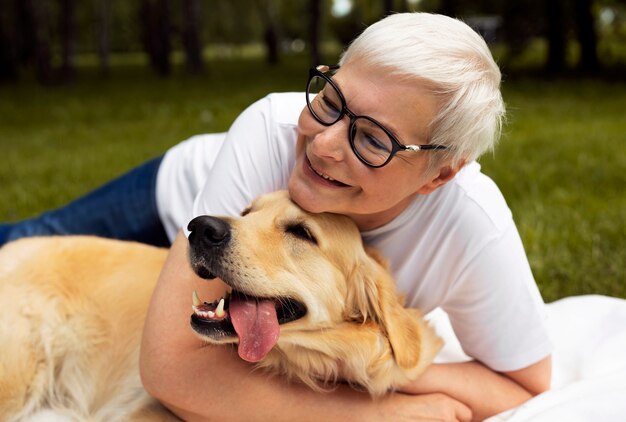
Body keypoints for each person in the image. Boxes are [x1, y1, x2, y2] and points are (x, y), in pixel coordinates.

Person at [2, 13, 552, 421]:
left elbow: (525, 385)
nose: (325, 144)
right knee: (22, 241)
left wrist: (383, 371)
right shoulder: (272, 128)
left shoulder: (471, 228)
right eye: (332, 100)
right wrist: (378, 415)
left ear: (437, 175)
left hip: (253, 273)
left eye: (373, 139)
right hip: (172, 202)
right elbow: (169, 369)